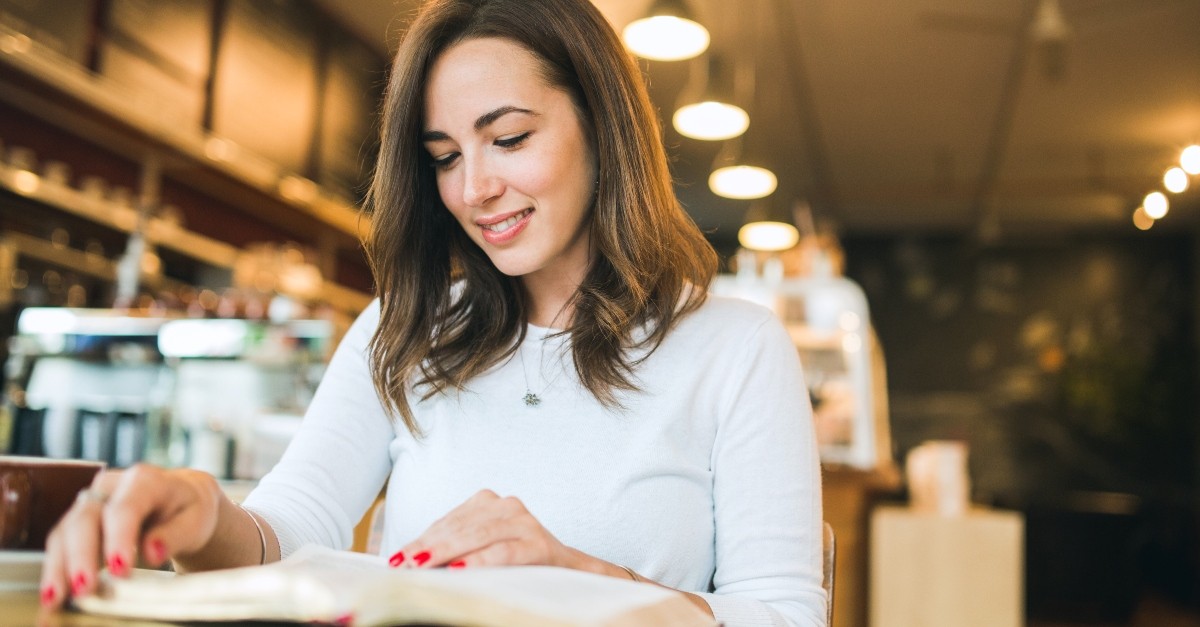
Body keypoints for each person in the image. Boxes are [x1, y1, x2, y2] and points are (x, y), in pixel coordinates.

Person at [39, 0, 826, 624]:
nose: (471, 188)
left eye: (508, 138)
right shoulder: (406, 327)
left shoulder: (736, 348)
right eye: (445, 156)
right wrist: (206, 514)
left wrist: (586, 585)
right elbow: (293, 524)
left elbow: (786, 612)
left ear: (603, 126)